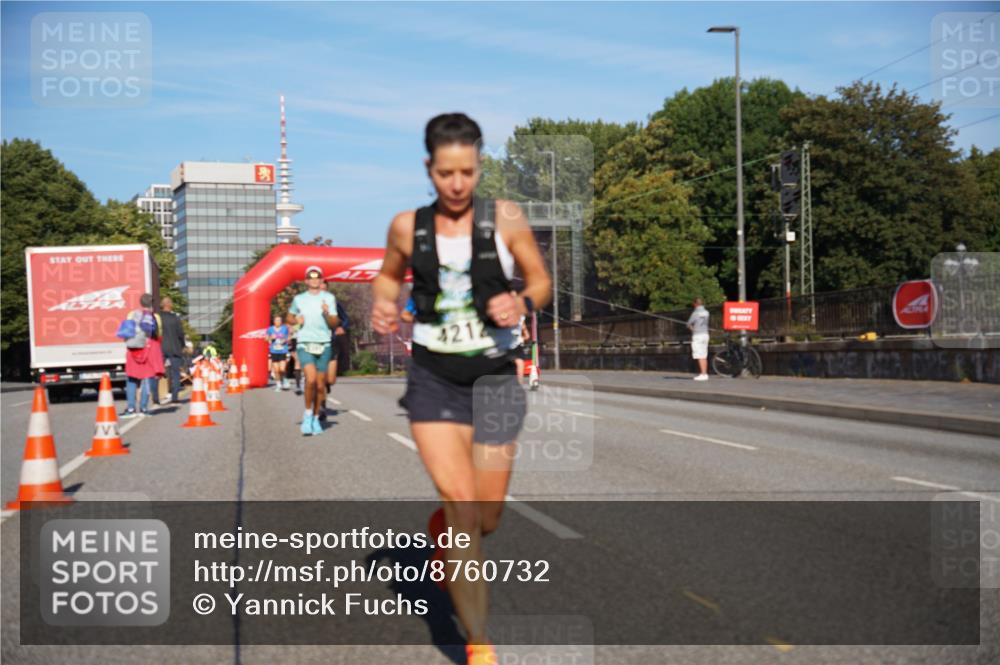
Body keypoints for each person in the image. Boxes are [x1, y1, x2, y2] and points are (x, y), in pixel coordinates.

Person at [371, 113, 551, 665]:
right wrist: (384, 302)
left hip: (494, 378)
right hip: (434, 381)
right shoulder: (408, 226)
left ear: (479, 165)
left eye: (467, 172)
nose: (456, 184)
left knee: (487, 517)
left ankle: (439, 534)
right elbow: (388, 275)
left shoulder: (506, 218)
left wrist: (521, 301)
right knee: (463, 510)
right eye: (445, 173)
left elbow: (540, 281)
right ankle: (478, 645)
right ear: (429, 168)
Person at [289, 266, 339, 435]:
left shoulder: (329, 298)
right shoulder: (299, 299)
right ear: (306, 281)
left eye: (317, 277)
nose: (314, 280)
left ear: (321, 280)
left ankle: (316, 418)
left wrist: (327, 314)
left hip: (324, 344)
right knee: (310, 380)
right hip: (305, 343)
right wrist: (295, 320)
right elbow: (289, 317)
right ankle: (308, 414)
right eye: (311, 277)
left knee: (320, 385)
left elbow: (334, 323)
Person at [121, 293, 162, 417]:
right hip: (148, 350)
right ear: (151, 303)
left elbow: (126, 333)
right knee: (147, 379)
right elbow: (159, 335)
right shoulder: (155, 317)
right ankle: (144, 408)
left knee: (131, 379)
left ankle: (131, 409)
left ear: (140, 302)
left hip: (133, 350)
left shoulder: (131, 314)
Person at [158, 296, 186, 403]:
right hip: (175, 348)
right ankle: (174, 397)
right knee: (176, 374)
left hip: (161, 348)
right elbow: (180, 333)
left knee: (157, 372)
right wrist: (182, 345)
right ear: (170, 305)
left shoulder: (158, 317)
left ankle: (155, 397)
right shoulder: (175, 318)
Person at [687, 297, 710, 380]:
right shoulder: (707, 312)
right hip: (705, 334)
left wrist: (693, 329)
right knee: (704, 355)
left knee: (699, 355)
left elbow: (689, 323)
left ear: (695, 304)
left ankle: (703, 374)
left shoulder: (695, 313)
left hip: (698, 335)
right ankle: (705, 373)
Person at [266, 315, 290, 391]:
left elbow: (288, 337)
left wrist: (285, 340)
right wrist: (270, 338)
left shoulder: (285, 328)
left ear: (281, 321)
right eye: (276, 320)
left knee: (282, 369)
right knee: (276, 370)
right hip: (274, 351)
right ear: (274, 321)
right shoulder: (270, 329)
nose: (278, 322)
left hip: (283, 351)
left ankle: (285, 379)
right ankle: (278, 385)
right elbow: (265, 339)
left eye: (279, 320)